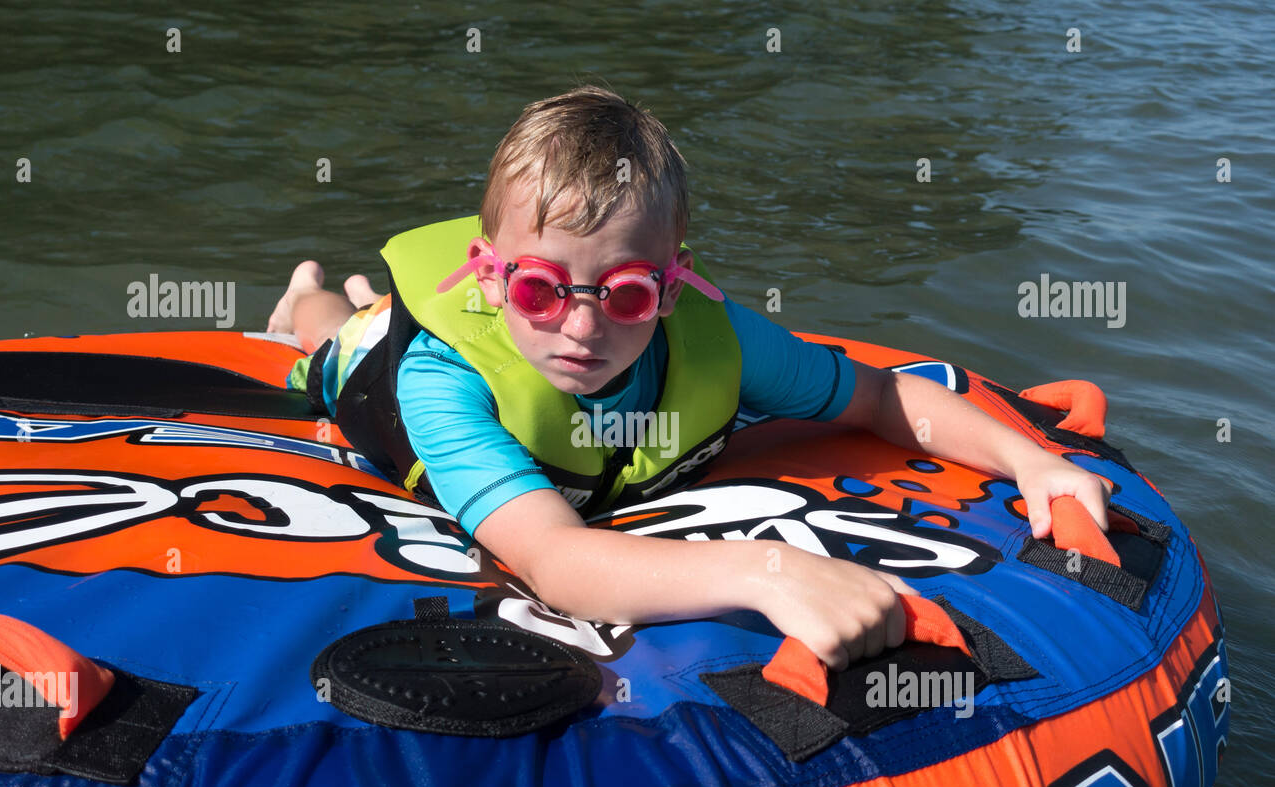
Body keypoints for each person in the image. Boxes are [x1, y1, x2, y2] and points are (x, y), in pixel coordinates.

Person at [266, 85, 1110, 670]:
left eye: (627, 293)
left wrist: (1030, 460)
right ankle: (307, 294)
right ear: (490, 278)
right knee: (341, 338)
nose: (584, 326)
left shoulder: (718, 342)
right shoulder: (446, 386)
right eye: (539, 289)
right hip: (379, 373)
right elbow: (555, 560)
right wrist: (768, 570)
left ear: (672, 286)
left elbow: (886, 397)